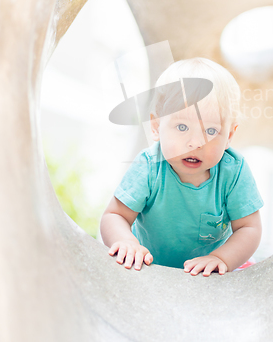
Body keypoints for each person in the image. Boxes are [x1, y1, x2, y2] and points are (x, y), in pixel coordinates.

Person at [100, 57, 264, 276]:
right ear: (157, 127)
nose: (195, 142)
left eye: (211, 131)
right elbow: (115, 216)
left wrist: (221, 258)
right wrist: (127, 242)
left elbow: (249, 228)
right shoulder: (149, 167)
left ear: (229, 136)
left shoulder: (232, 170)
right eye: (182, 126)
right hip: (151, 265)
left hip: (211, 271)